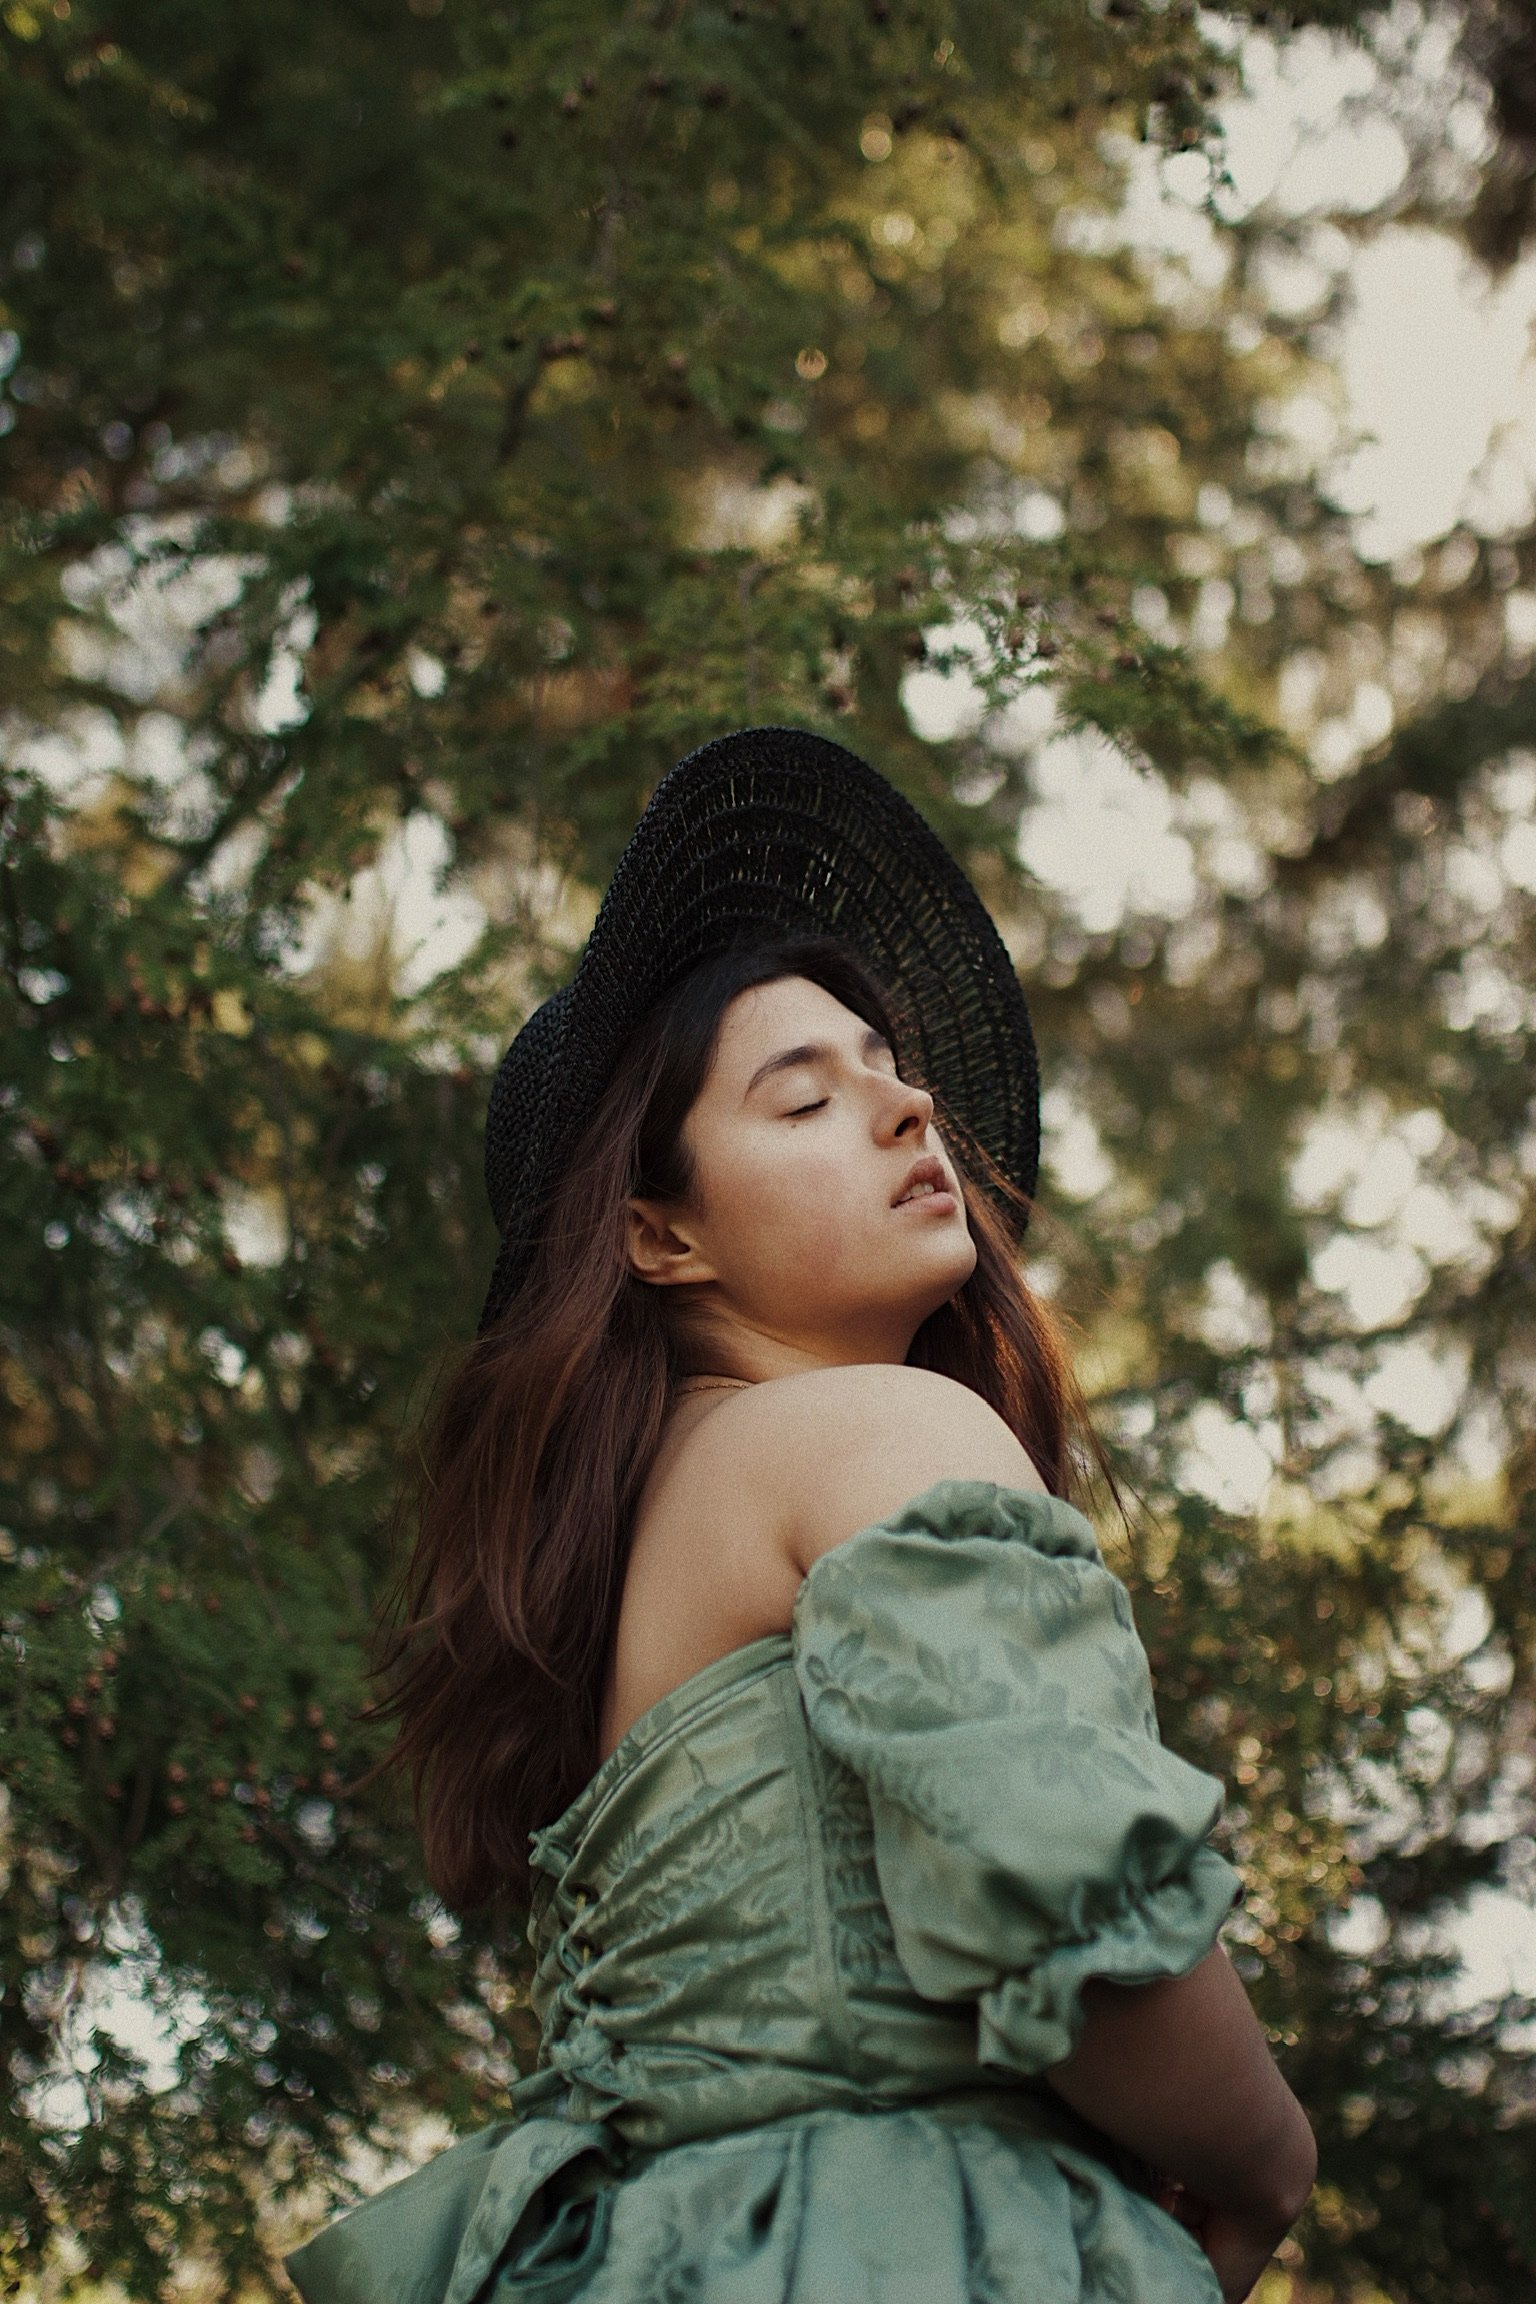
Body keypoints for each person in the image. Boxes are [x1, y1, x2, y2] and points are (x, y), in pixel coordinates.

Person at [284, 728, 1315, 2304]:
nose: (907, 1108)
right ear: (660, 1234)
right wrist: (1260, 2163)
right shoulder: (879, 1431)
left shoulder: (656, 1550)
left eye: (889, 1067)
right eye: (801, 1098)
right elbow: (1075, 1897)